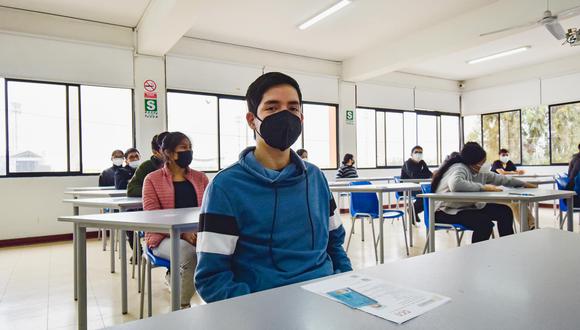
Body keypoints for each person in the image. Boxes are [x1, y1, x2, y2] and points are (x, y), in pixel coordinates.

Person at [195, 72, 352, 303]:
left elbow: (334, 243)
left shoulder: (316, 177)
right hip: (265, 306)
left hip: (328, 297)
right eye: (272, 108)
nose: (284, 116)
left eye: (292, 108)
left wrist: (347, 282)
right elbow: (211, 278)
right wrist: (258, 312)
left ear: (301, 117)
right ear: (251, 120)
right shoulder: (226, 187)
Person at [143, 131, 209, 308]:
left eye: (190, 148)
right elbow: (152, 218)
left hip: (197, 234)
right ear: (169, 153)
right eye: (183, 148)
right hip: (162, 237)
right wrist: (183, 235)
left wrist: (197, 233)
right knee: (189, 255)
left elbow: (210, 210)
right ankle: (181, 306)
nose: (189, 152)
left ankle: (220, 302)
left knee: (229, 249)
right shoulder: (152, 180)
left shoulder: (200, 178)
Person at [430, 142, 537, 243]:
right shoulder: (459, 168)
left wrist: (523, 183)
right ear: (472, 162)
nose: (483, 165)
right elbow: (455, 184)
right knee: (484, 224)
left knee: (505, 212)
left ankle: (508, 246)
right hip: (445, 211)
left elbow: (501, 179)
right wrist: (484, 187)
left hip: (465, 207)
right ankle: (476, 257)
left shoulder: (479, 171)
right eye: (481, 162)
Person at [127, 132, 169, 197]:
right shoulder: (146, 167)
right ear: (155, 152)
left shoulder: (180, 166)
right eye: (166, 149)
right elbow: (131, 190)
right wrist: (155, 192)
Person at [401, 146, 432, 222]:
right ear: (411, 154)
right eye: (416, 152)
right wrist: (424, 174)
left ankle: (414, 211)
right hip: (406, 188)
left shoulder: (422, 162)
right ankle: (413, 210)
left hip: (416, 187)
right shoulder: (408, 163)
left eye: (420, 152)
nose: (418, 154)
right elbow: (415, 176)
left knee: (430, 193)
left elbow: (428, 173)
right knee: (425, 194)